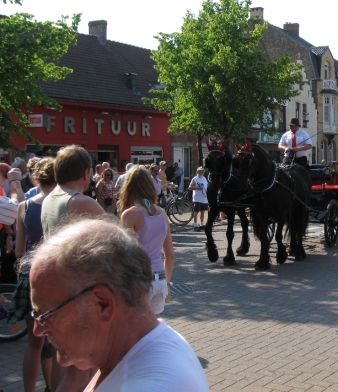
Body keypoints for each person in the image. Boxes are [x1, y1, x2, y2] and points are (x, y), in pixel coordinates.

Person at [25, 218, 209, 391]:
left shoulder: (146, 385)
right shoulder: (145, 345)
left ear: (102, 304)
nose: (37, 329)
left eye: (46, 314)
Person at [40, 145, 105, 392]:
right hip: (78, 292)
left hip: (54, 290)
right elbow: (120, 239)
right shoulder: (79, 202)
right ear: (86, 173)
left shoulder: (49, 199)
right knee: (82, 371)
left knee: (63, 357)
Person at [12, 158, 56, 392]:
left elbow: (20, 251)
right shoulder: (62, 205)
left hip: (30, 277)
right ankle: (55, 387)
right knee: (58, 345)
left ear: (35, 177)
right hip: (55, 280)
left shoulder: (24, 206)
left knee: (34, 344)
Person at [119, 166, 174, 316]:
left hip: (140, 280)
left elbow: (127, 255)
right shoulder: (161, 213)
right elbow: (169, 255)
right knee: (152, 330)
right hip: (160, 280)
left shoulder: (130, 215)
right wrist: (167, 283)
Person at [189, 166, 209, 230]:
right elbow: (190, 187)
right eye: (200, 171)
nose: (201, 172)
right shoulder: (195, 179)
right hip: (197, 198)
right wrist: (197, 188)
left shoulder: (204, 178)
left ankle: (202, 224)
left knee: (202, 211)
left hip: (204, 198)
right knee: (196, 211)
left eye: (202, 171)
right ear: (197, 172)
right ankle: (195, 225)